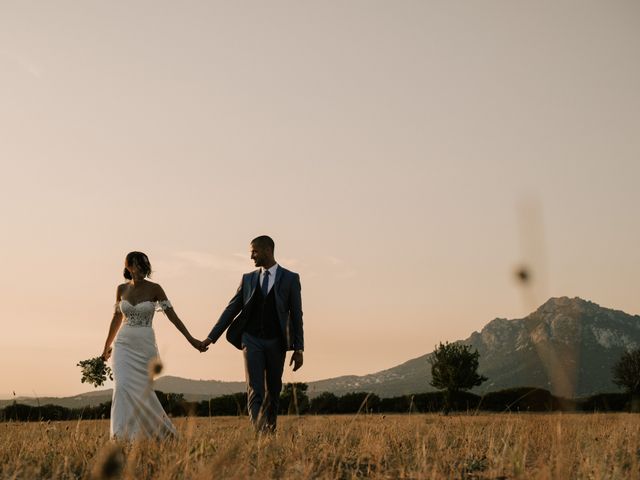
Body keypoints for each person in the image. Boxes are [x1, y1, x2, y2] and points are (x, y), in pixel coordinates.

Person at [201, 235, 304, 433]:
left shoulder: (291, 278)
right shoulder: (248, 279)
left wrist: (298, 349)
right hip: (251, 339)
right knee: (255, 389)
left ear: (267, 250)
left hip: (277, 342)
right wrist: (210, 337)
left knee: (273, 391)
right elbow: (231, 309)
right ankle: (259, 433)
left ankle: (270, 432)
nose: (251, 257)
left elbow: (297, 315)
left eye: (254, 252)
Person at [101, 251, 206, 440]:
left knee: (143, 391)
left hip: (144, 345)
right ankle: (121, 437)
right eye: (136, 265)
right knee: (122, 386)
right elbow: (116, 318)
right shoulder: (121, 289)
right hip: (123, 345)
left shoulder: (155, 288)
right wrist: (106, 347)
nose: (140, 269)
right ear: (128, 267)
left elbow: (173, 316)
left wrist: (191, 339)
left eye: (143, 266)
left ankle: (161, 434)